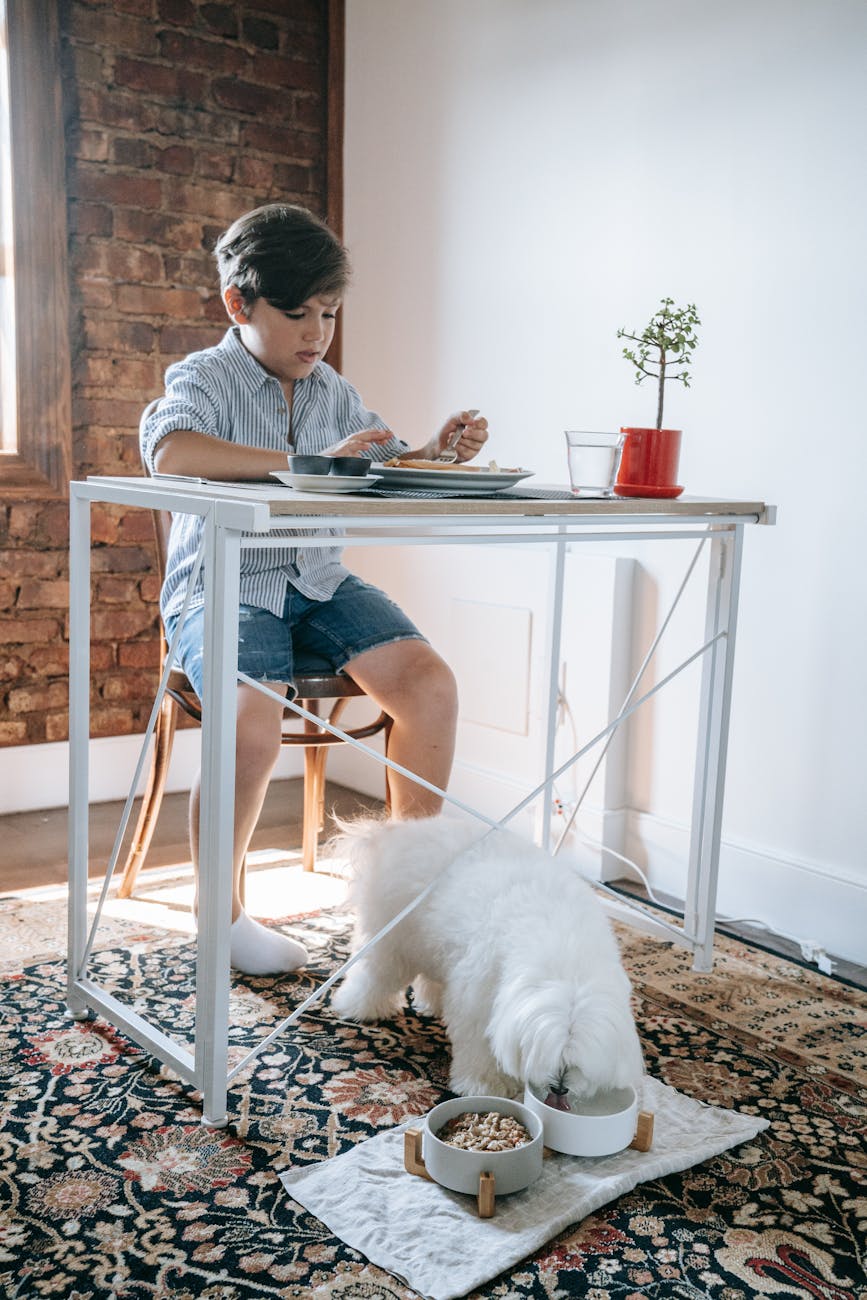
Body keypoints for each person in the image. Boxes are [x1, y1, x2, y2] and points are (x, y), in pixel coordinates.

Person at [140, 202, 488, 976]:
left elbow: (387, 461)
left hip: (316, 580)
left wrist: (437, 450)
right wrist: (303, 462)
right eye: (296, 314)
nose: (315, 334)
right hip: (223, 583)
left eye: (327, 314)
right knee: (251, 732)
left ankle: (403, 900)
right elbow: (170, 452)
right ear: (239, 304)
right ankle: (219, 919)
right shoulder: (202, 376)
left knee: (430, 685)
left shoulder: (332, 387)